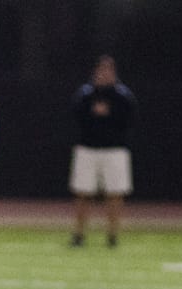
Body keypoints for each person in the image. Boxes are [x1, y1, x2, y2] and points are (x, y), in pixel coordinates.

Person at [68, 55, 137, 248]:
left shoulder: (122, 96)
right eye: (101, 70)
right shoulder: (85, 95)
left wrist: (110, 113)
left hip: (115, 150)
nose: (104, 74)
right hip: (88, 149)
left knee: (115, 193)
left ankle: (112, 235)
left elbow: (129, 121)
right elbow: (76, 117)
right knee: (82, 192)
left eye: (108, 70)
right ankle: (79, 234)